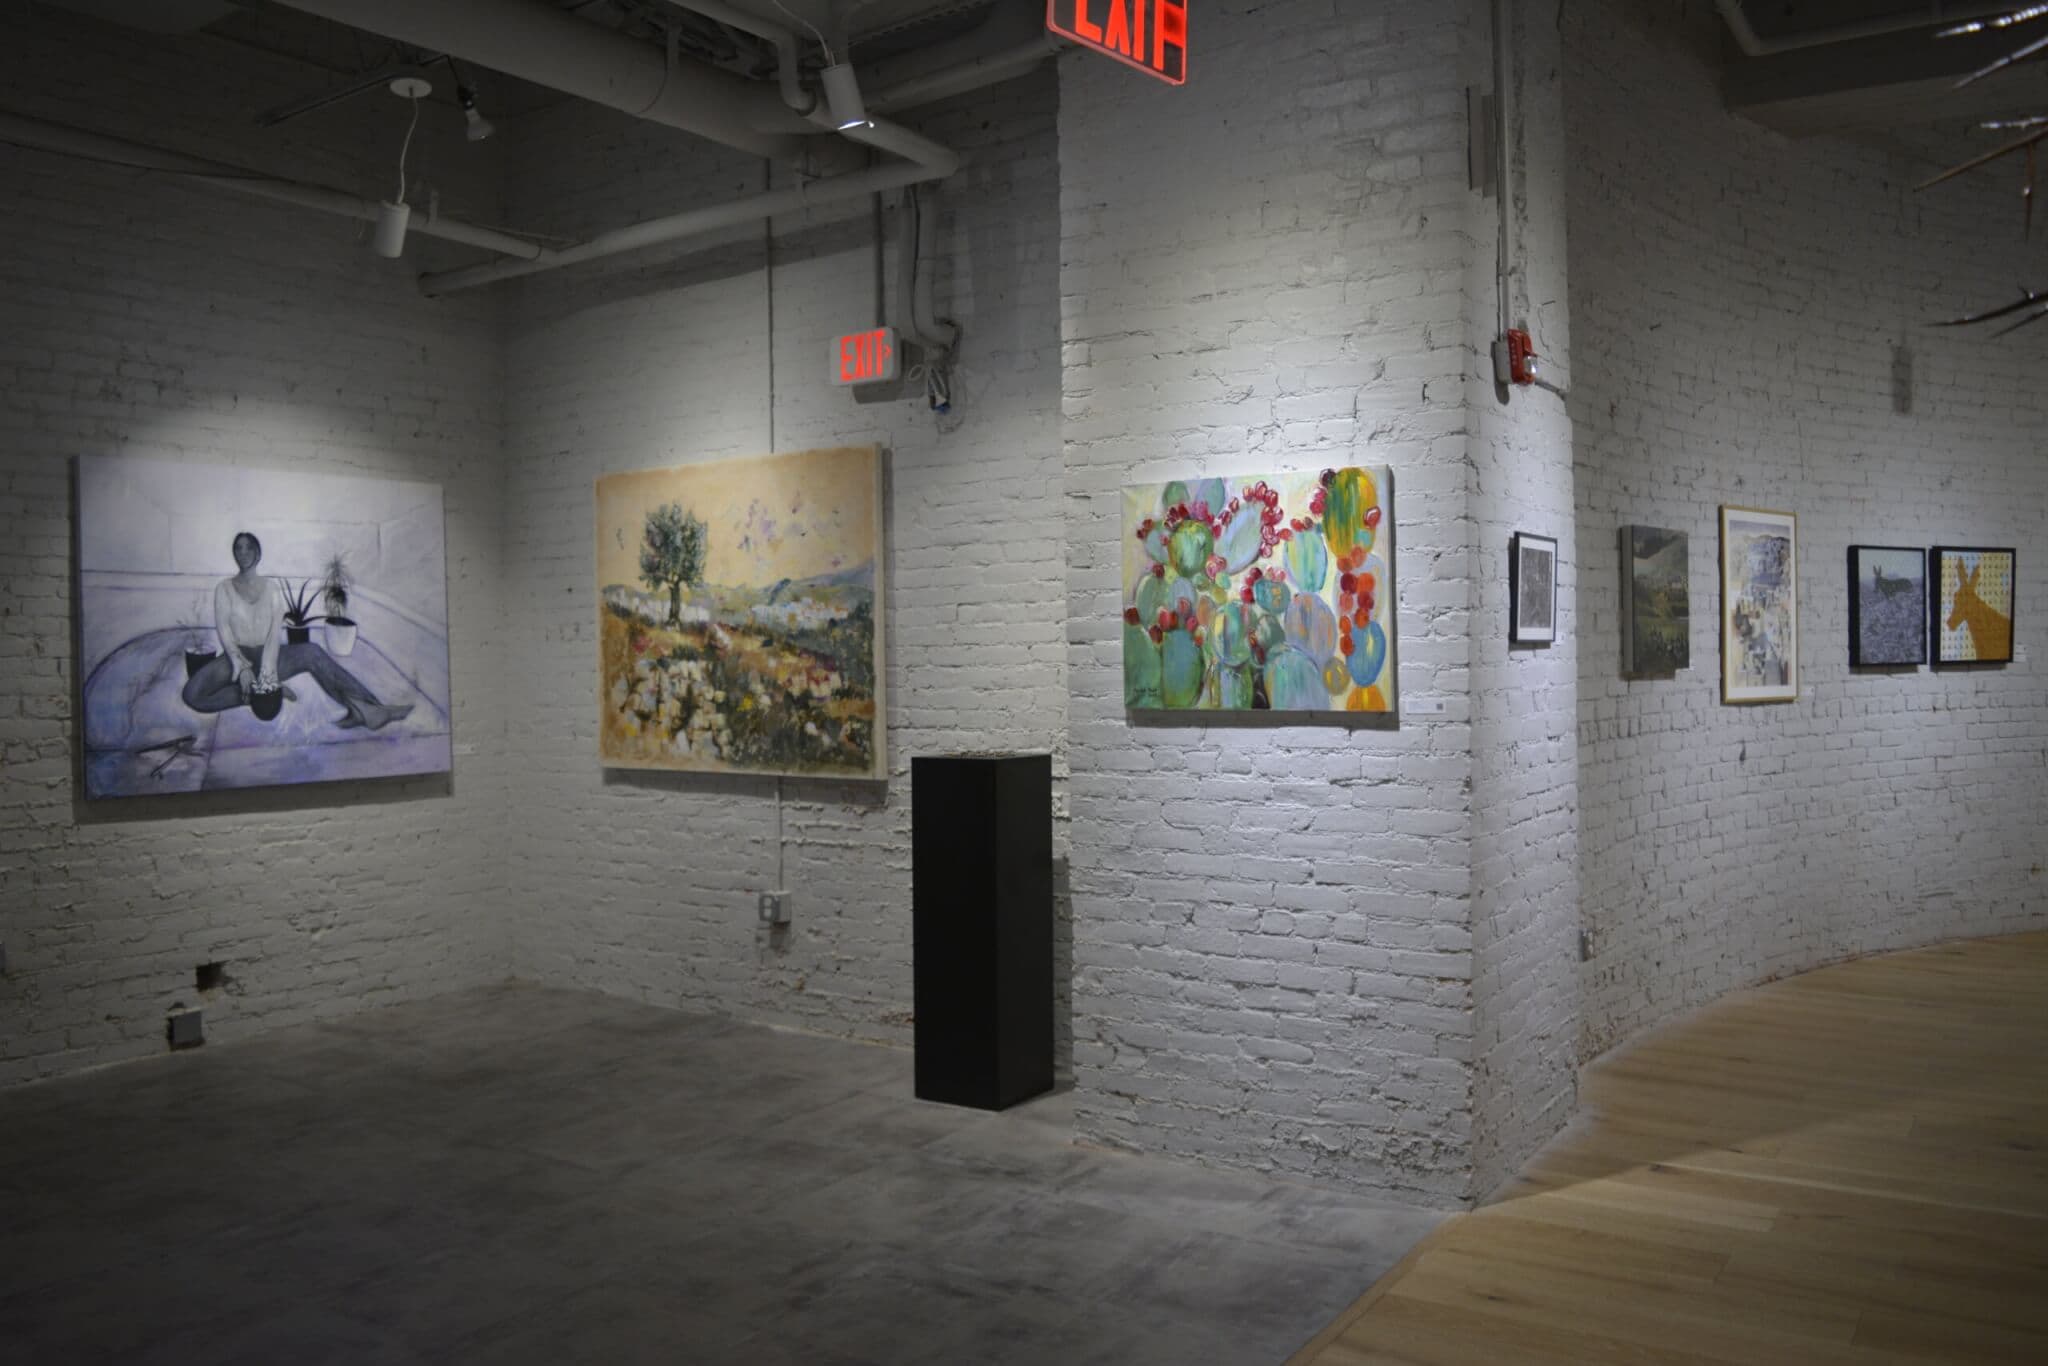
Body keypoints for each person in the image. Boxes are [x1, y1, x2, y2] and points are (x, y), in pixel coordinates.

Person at [180, 531, 412, 730]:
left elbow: (274, 634)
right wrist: (242, 668)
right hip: (235, 656)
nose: (243, 553)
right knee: (192, 695)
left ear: (258, 554)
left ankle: (369, 708)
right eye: (238, 548)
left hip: (269, 655)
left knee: (312, 652)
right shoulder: (224, 589)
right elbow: (225, 632)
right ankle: (267, 694)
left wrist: (268, 673)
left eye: (249, 548)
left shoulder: (271, 588)